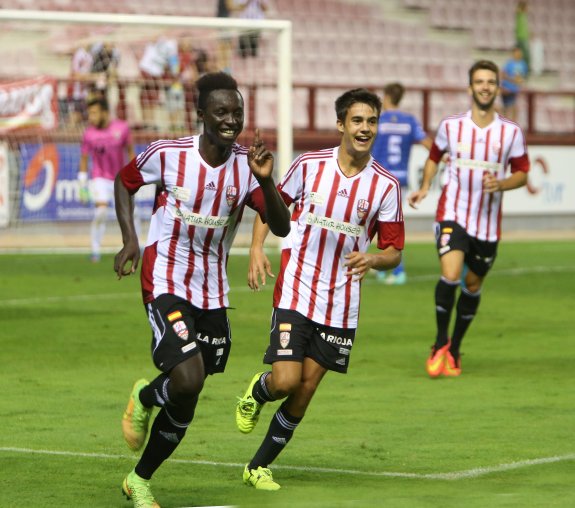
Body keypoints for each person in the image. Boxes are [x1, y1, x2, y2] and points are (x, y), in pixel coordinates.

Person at [114, 72, 290, 508]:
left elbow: (283, 226)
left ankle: (139, 473)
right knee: (188, 377)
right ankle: (145, 404)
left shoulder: (247, 166)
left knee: (191, 390)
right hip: (166, 279)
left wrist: (266, 180)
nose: (231, 120)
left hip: (211, 289)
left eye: (237, 112)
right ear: (201, 115)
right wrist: (130, 239)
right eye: (221, 112)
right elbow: (124, 181)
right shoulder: (168, 155)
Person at [235, 88, 405, 490]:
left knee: (305, 390)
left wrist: (374, 259)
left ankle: (257, 466)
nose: (365, 129)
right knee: (286, 382)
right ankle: (259, 391)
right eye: (358, 120)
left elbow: (394, 250)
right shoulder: (310, 165)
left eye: (372, 121)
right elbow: (272, 204)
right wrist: (257, 247)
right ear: (341, 124)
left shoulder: (385, 186)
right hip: (297, 289)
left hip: (342, 303)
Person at [407, 60, 530, 378]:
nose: (485, 86)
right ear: (470, 88)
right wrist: (423, 187)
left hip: (487, 224)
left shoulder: (510, 132)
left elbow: (522, 173)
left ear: (498, 88)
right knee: (450, 274)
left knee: (472, 284)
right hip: (453, 213)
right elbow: (434, 157)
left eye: (491, 81)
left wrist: (501, 184)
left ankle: (456, 346)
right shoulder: (452, 126)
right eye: (479, 81)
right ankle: (439, 342)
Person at [371, 82, 432, 285]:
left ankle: (398, 272)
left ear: (386, 97)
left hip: (379, 177)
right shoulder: (409, 121)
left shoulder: (377, 120)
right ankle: (381, 269)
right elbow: (428, 144)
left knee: (380, 225)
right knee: (387, 224)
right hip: (400, 180)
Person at [78, 96, 136, 262]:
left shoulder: (122, 128)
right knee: (101, 211)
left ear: (104, 112)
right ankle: (95, 250)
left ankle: (136, 245)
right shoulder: (89, 133)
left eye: (94, 112)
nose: (91, 117)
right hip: (100, 177)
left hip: (121, 177)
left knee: (133, 213)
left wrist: (138, 175)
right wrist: (82, 185)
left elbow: (130, 152)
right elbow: (84, 158)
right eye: (89, 113)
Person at [138, 37, 179, 129]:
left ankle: (152, 123)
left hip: (157, 74)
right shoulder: (158, 42)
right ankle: (148, 123)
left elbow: (173, 61)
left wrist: (174, 74)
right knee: (146, 99)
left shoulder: (172, 44)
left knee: (153, 100)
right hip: (148, 71)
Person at [500, 46, 528, 122]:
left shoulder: (523, 64)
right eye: (516, 52)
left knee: (513, 107)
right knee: (506, 108)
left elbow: (523, 77)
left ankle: (512, 123)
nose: (518, 54)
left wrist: (520, 81)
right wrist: (512, 80)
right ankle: (505, 123)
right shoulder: (509, 63)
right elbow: (502, 75)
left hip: (515, 90)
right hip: (506, 89)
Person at [515, 1, 530, 73]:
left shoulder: (524, 16)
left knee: (525, 56)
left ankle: (524, 71)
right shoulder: (520, 14)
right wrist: (521, 4)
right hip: (521, 38)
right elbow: (517, 10)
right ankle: (524, 72)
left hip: (524, 38)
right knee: (525, 56)